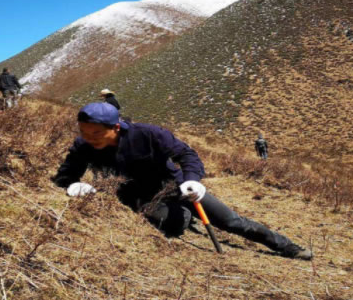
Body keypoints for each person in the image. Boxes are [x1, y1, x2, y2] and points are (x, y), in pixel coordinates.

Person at [52, 103, 312, 260]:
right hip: (137, 196)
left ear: (116, 127)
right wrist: (72, 185)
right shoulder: (82, 145)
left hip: (177, 187)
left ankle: (288, 247)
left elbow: (186, 155)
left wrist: (192, 181)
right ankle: (185, 218)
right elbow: (66, 175)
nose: (89, 138)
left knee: (231, 221)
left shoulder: (150, 134)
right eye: (84, 132)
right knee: (176, 224)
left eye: (97, 133)